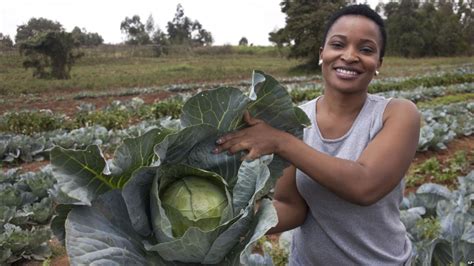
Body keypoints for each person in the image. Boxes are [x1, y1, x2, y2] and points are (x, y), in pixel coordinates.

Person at [213, 4, 420, 265]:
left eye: (366, 49)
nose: (350, 56)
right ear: (322, 54)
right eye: (338, 44)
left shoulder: (398, 114)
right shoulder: (296, 121)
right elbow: (292, 207)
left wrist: (280, 141)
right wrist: (227, 223)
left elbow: (364, 185)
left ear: (378, 63)